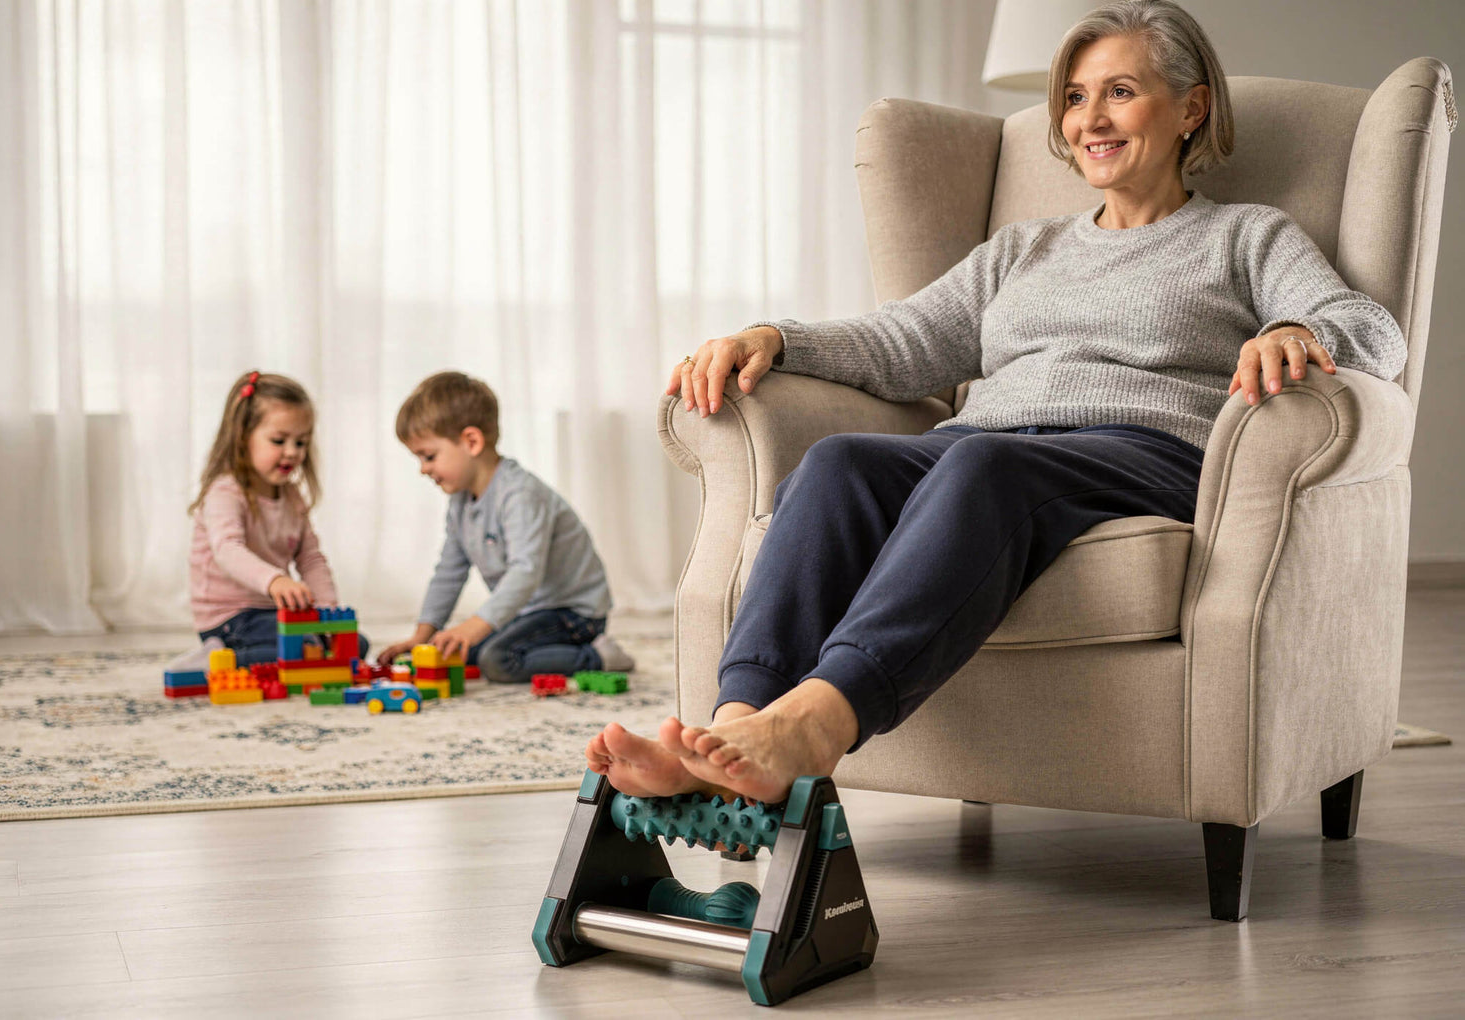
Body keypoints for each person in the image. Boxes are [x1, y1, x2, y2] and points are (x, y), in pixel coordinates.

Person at [587, 0, 1409, 805]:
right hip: (992, 445)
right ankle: (733, 735)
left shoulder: (1245, 236)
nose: (1091, 118)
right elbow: (902, 342)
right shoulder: (1026, 247)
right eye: (1077, 97)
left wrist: (1297, 330)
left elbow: (1370, 328)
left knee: (984, 462)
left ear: (1192, 108)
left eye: (1121, 92)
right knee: (838, 463)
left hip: (1145, 451)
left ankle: (815, 724)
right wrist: (776, 337)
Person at [377, 371, 634, 682]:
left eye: (428, 456)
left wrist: (476, 624)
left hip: (574, 614)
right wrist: (422, 635)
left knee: (497, 659)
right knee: (457, 650)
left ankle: (598, 656)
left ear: (471, 441)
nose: (423, 469)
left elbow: (526, 571)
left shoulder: (520, 494)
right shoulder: (460, 502)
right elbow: (449, 571)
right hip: (527, 612)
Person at [187, 370, 368, 667]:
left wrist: (327, 611)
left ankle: (306, 645)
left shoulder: (291, 496)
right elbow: (227, 550)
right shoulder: (225, 492)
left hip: (272, 614)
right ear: (243, 436)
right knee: (305, 649)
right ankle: (219, 658)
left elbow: (310, 559)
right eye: (279, 440)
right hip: (230, 619)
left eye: (301, 442)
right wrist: (275, 581)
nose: (292, 452)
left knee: (353, 645)